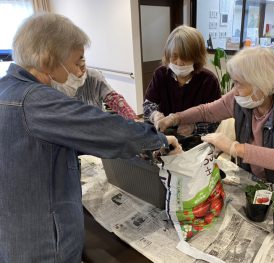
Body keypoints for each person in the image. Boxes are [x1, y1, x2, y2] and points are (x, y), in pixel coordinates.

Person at [0, 13, 181, 263]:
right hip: (43, 246)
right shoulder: (36, 101)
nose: (79, 71)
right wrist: (159, 139)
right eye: (75, 63)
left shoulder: (5, 89)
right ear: (47, 60)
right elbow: (105, 129)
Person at [158, 47, 274, 195]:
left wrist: (234, 148)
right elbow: (207, 111)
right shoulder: (244, 96)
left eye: (239, 83)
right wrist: (176, 117)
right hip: (256, 180)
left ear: (261, 85)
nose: (234, 90)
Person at [143, 25, 221, 136]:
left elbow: (216, 120)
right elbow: (148, 104)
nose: (179, 62)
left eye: (185, 57)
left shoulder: (208, 81)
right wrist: (154, 115)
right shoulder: (161, 74)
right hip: (164, 136)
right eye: (174, 56)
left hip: (194, 141)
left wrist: (195, 128)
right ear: (167, 54)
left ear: (196, 57)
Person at [52, 56, 137, 120]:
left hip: (96, 129)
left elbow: (114, 99)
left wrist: (133, 120)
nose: (79, 73)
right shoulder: (51, 85)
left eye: (82, 66)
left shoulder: (93, 76)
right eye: (74, 68)